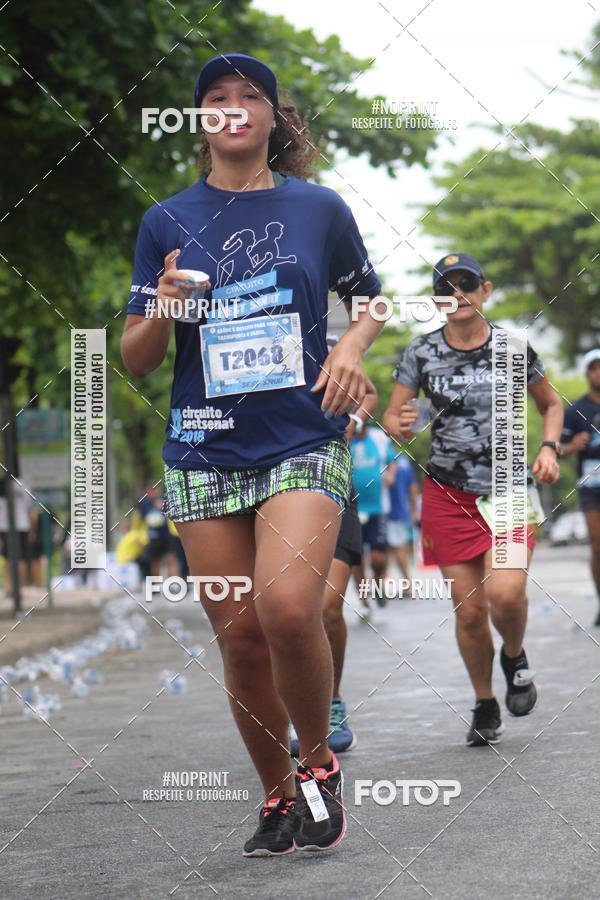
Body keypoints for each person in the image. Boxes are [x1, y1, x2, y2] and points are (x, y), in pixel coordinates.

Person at [121, 53, 384, 856]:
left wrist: (353, 348)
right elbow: (135, 358)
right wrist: (163, 309)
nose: (233, 108)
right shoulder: (165, 220)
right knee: (238, 637)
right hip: (202, 449)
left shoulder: (318, 208)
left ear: (275, 118)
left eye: (250, 97)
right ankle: (276, 797)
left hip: (301, 437)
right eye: (215, 98)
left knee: (291, 611)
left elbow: (369, 295)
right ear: (200, 120)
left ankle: (316, 765)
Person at [384, 252, 563, 746]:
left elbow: (550, 404)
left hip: (507, 488)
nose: (457, 294)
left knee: (504, 594)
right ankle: (485, 702)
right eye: (446, 287)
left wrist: (549, 447)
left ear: (485, 291)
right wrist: (400, 424)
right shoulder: (419, 353)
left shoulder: (512, 347)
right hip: (447, 494)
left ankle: (515, 654)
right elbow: (396, 419)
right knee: (468, 611)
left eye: (467, 284)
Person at [289, 336, 379, 757]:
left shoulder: (328, 340)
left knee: (326, 606)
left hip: (331, 483)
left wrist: (356, 422)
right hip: (269, 487)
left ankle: (332, 704)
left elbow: (370, 392)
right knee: (281, 613)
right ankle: (295, 708)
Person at [560, 348, 600, 627]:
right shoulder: (574, 410)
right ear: (587, 373)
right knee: (598, 547)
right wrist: (573, 445)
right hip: (591, 485)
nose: (599, 372)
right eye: (594, 368)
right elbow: (558, 449)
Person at [350, 423, 396, 610]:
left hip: (378, 507)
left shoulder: (379, 438)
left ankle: (378, 584)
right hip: (353, 507)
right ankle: (363, 597)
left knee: (378, 557)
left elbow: (392, 461)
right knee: (357, 556)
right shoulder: (344, 437)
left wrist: (391, 475)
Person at [387, 452, 419, 594]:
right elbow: (412, 487)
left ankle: (408, 584)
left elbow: (410, 487)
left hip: (390, 511)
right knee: (397, 548)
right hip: (401, 510)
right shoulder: (404, 460)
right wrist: (414, 509)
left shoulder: (383, 458)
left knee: (396, 547)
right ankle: (407, 583)